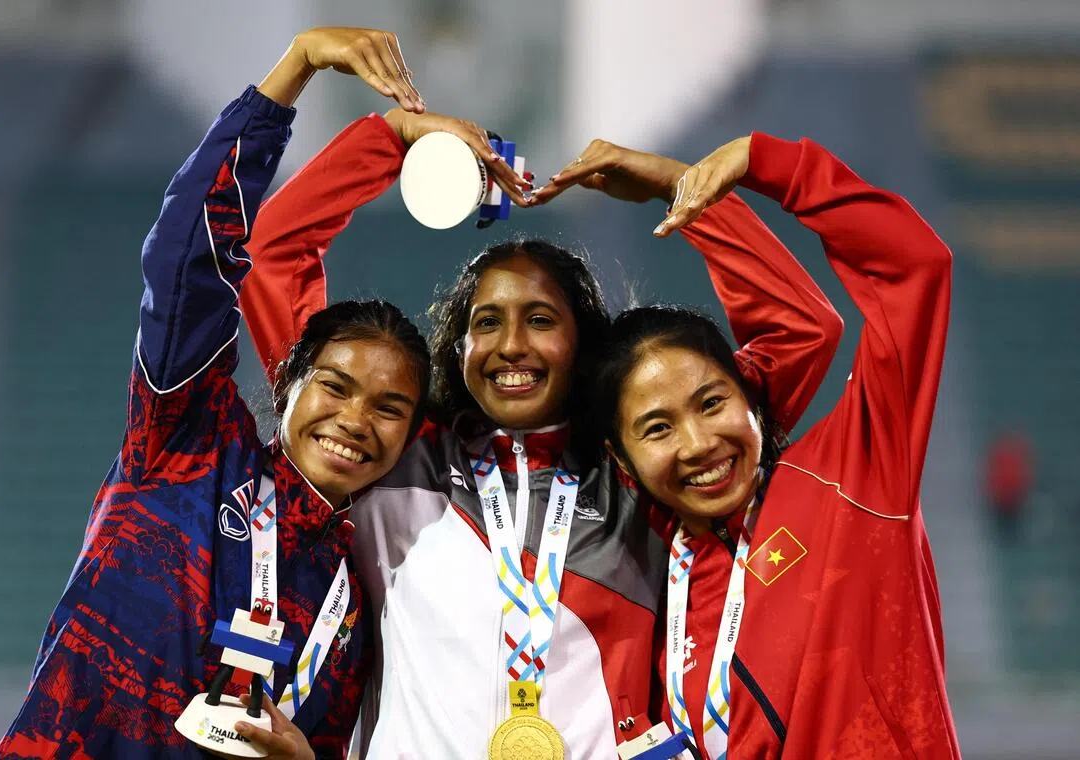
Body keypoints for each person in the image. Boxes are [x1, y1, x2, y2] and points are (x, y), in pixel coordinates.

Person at [239, 110, 842, 756]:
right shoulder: (395, 447)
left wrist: (684, 192)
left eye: (540, 319)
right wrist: (392, 141)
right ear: (460, 343)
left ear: (582, 339)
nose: (512, 346)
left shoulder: (642, 473)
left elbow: (802, 331)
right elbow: (272, 253)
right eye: (488, 322)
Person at [0, 26, 432, 760]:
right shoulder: (187, 445)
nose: (355, 421)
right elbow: (185, 259)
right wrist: (297, 68)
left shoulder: (356, 604)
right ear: (288, 379)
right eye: (337, 386)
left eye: (389, 408)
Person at [580, 133, 959, 758]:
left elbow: (913, 268)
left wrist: (747, 169)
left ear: (751, 395)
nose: (698, 444)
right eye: (657, 428)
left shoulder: (853, 481)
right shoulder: (644, 571)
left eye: (711, 404)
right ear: (621, 460)